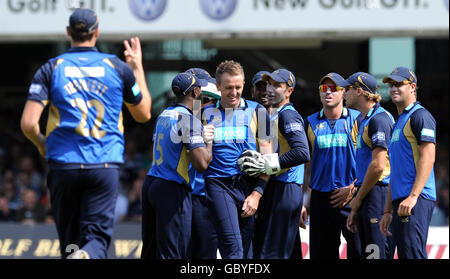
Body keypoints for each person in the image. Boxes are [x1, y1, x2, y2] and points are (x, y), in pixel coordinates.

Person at [20, 8, 151, 259]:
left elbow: (28, 123)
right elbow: (143, 114)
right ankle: (87, 253)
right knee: (96, 241)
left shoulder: (51, 68)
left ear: (68, 32)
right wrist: (137, 67)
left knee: (69, 242)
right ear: (97, 32)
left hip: (63, 165)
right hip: (103, 165)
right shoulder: (117, 67)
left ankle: (76, 253)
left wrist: (40, 143)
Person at [202, 60, 273, 259]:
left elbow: (268, 157)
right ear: (218, 87)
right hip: (218, 184)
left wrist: (257, 194)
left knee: (246, 253)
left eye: (238, 87)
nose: (234, 92)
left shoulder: (259, 111)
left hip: (248, 187)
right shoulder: (203, 112)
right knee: (233, 247)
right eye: (228, 88)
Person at [141, 72, 214, 259]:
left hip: (152, 181)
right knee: (173, 252)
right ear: (196, 91)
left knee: (151, 250)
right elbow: (202, 164)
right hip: (172, 187)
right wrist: (209, 141)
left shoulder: (165, 114)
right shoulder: (189, 120)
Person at [241, 69, 310, 258]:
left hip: (283, 190)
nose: (270, 90)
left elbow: (302, 152)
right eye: (268, 84)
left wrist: (267, 164)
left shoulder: (287, 115)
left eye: (277, 86)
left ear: (289, 91)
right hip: (284, 190)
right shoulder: (273, 114)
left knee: (270, 255)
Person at [379, 67, 437, 259]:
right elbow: (395, 170)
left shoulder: (420, 116)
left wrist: (413, 197)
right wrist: (388, 209)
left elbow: (428, 157)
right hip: (400, 201)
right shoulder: (399, 122)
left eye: (399, 84)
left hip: (416, 199)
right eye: (391, 84)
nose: (393, 88)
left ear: (412, 87)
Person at [303, 72, 362, 259]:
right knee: (322, 255)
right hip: (321, 199)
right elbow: (305, 163)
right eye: (324, 89)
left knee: (359, 252)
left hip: (351, 196)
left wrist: (353, 189)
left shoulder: (358, 119)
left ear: (344, 92)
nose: (328, 93)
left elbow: (370, 159)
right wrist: (303, 200)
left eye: (334, 89)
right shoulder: (310, 122)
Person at [343, 72, 395, 259]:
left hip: (378, 193)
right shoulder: (363, 120)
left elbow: (378, 166)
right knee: (368, 253)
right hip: (368, 192)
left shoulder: (379, 119)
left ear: (359, 91)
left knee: (376, 253)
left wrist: (357, 199)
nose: (342, 94)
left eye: (346, 89)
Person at [185, 67, 220, 259]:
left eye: (211, 101)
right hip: (191, 195)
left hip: (209, 195)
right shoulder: (186, 118)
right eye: (205, 99)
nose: (209, 105)